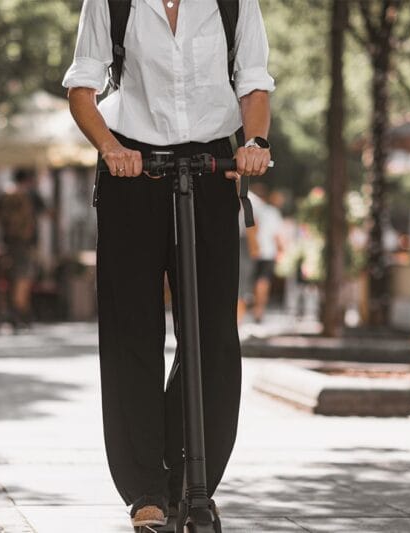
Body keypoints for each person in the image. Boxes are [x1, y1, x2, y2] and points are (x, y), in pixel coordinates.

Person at [63, 0, 274, 528]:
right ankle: (144, 491)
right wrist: (110, 148)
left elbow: (253, 81)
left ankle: (190, 481)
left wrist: (254, 143)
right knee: (131, 331)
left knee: (212, 338)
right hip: (131, 168)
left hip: (211, 167)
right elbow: (82, 88)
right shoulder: (111, 3)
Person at [0, 168, 46, 327]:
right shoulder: (31, 194)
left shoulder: (4, 193)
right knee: (24, 276)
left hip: (8, 242)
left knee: (12, 276)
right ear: (28, 179)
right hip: (27, 242)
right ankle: (21, 310)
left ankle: (15, 310)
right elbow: (47, 213)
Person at [249, 183, 284, 323]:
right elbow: (277, 235)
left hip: (252, 251)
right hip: (267, 252)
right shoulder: (272, 212)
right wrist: (281, 250)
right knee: (263, 282)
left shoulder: (254, 209)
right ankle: (259, 310)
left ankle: (254, 308)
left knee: (254, 281)